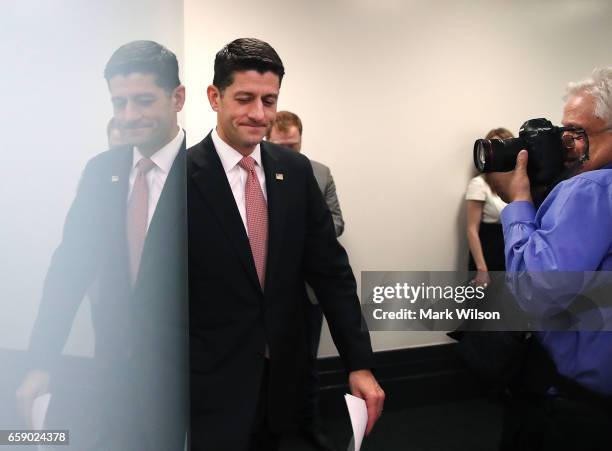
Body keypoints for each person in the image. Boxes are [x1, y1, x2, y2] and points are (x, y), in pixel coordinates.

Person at [187, 38, 384, 451]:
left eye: (269, 100)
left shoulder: (294, 172)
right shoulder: (180, 176)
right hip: (212, 384)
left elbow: (331, 271)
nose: (259, 115)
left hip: (289, 382)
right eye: (244, 99)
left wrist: (359, 363)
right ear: (214, 97)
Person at [16, 40, 188, 450]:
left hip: (188, 372)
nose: (129, 116)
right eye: (119, 103)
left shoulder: (206, 173)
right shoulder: (101, 173)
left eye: (144, 101)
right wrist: (42, 359)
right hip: (115, 368)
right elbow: (68, 270)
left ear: (177, 98)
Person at [488, 67, 612, 451]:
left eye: (577, 134)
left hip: (576, 406)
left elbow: (539, 295)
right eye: (563, 134)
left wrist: (520, 202)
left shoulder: (590, 189)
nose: (566, 145)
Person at [267, 111, 343, 451]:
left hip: (309, 290)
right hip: (267, 289)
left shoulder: (320, 172)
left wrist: (303, 232)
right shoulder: (253, 174)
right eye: (282, 145)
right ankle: (273, 430)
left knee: (308, 364)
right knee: (268, 365)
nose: (290, 151)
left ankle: (310, 426)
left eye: (294, 144)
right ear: (268, 140)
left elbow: (337, 222)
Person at [465, 128, 513, 286]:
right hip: (487, 252)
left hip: (508, 251)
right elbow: (472, 229)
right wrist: (482, 270)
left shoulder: (515, 185)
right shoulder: (479, 184)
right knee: (485, 307)